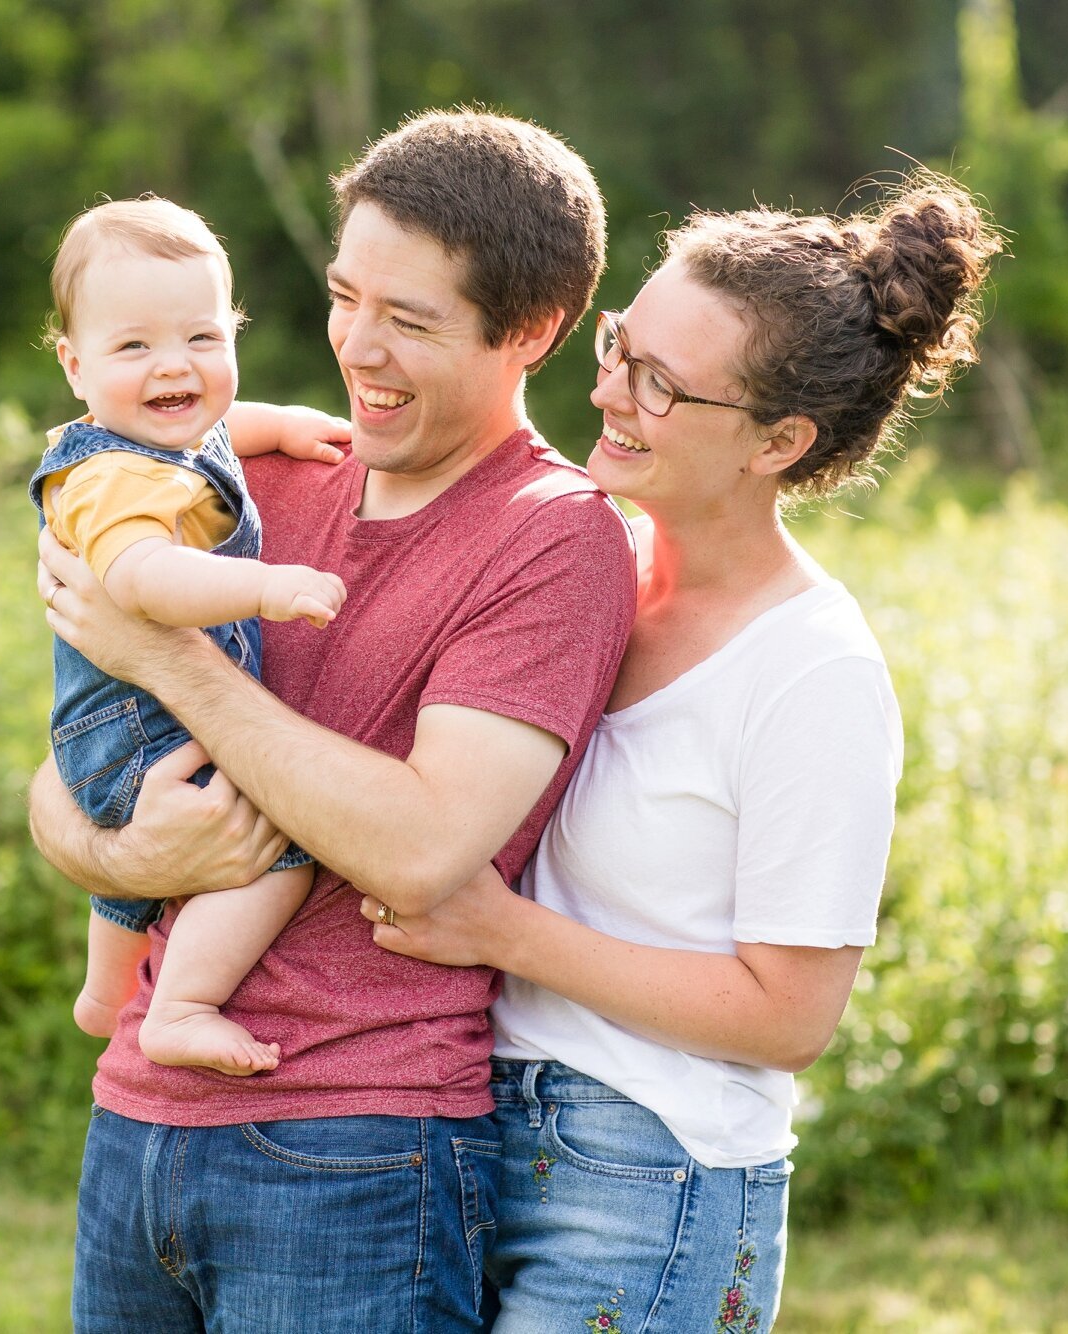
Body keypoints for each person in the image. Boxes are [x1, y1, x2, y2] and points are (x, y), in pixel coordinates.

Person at [357, 174, 1002, 1332]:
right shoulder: (579, 572)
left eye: (659, 384)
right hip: (470, 1127)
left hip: (649, 1179)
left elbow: (785, 1013)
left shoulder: (812, 671)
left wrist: (506, 933)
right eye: (620, 346)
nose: (608, 391)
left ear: (779, 440)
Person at [30, 110, 634, 1331]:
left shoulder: (552, 538)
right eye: (343, 295)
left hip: (356, 1150)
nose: (357, 347)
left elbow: (421, 847)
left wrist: (181, 669)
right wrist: (121, 853)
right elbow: (62, 765)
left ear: (531, 330)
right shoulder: (244, 482)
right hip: (138, 1115)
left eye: (408, 321)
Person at [32, 195, 351, 1078]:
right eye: (134, 347)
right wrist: (264, 586)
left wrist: (282, 425)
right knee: (279, 848)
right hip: (139, 726)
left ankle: (104, 993)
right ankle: (180, 1005)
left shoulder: (156, 438)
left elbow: (215, 438)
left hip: (103, 738)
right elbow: (141, 580)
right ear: (75, 364)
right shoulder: (112, 482)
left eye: (203, 339)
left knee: (137, 853)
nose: (174, 366)